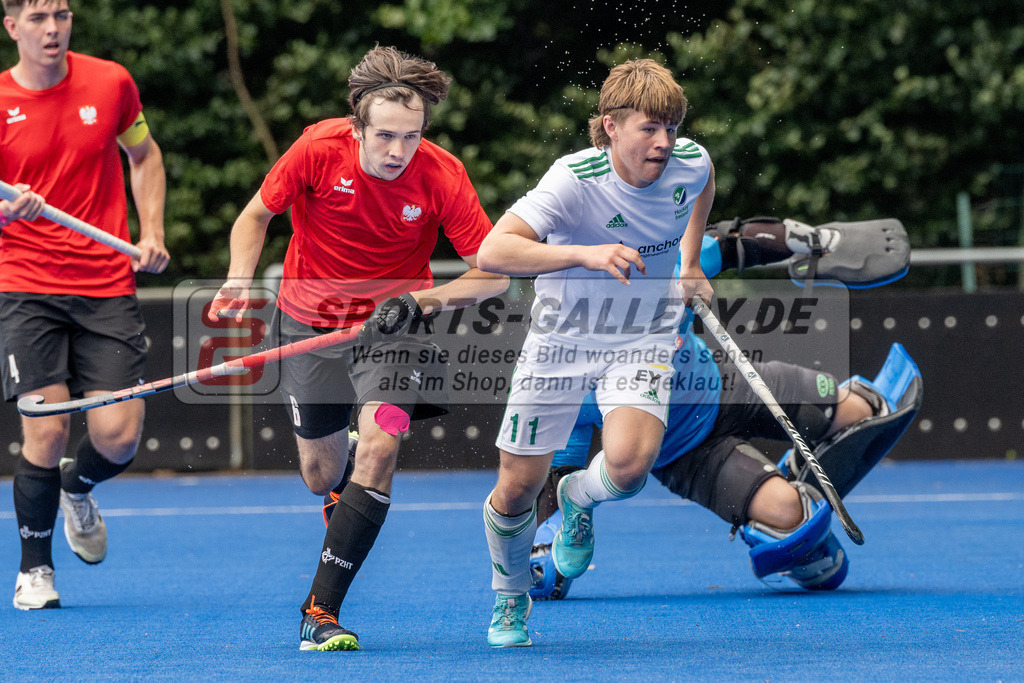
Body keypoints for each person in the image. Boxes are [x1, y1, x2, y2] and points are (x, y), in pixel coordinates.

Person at [208, 45, 508, 652]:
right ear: (357, 126)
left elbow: (495, 274)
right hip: (308, 326)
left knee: (382, 444)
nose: (400, 152)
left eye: (413, 137)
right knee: (320, 477)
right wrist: (242, 275)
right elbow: (254, 216)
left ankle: (320, 611)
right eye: (387, 137)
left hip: (394, 330)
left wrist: (424, 303)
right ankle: (343, 474)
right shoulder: (317, 150)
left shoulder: (443, 175)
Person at [527, 220, 922, 600]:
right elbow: (561, 474)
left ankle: (796, 473)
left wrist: (814, 240)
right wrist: (546, 550)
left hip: (727, 384)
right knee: (813, 550)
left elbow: (735, 240)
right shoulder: (558, 370)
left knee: (867, 411)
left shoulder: (659, 265)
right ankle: (785, 503)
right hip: (687, 456)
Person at [476, 58, 715, 647]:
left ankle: (577, 497)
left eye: (672, 129)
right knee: (514, 491)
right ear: (610, 125)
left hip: (643, 333)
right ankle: (510, 598)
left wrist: (688, 264)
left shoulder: (692, 161)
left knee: (630, 468)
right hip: (561, 339)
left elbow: (703, 189)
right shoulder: (572, 179)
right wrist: (585, 253)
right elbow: (493, 251)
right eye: (649, 129)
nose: (664, 143)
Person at [0, 0, 169, 612]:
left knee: (118, 436)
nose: (53, 28)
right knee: (45, 430)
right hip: (25, 284)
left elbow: (144, 156)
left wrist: (150, 232)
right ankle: (35, 569)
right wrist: (4, 211)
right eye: (39, 17)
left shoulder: (110, 81)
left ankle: (79, 485)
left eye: (62, 15)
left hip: (105, 283)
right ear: (11, 25)